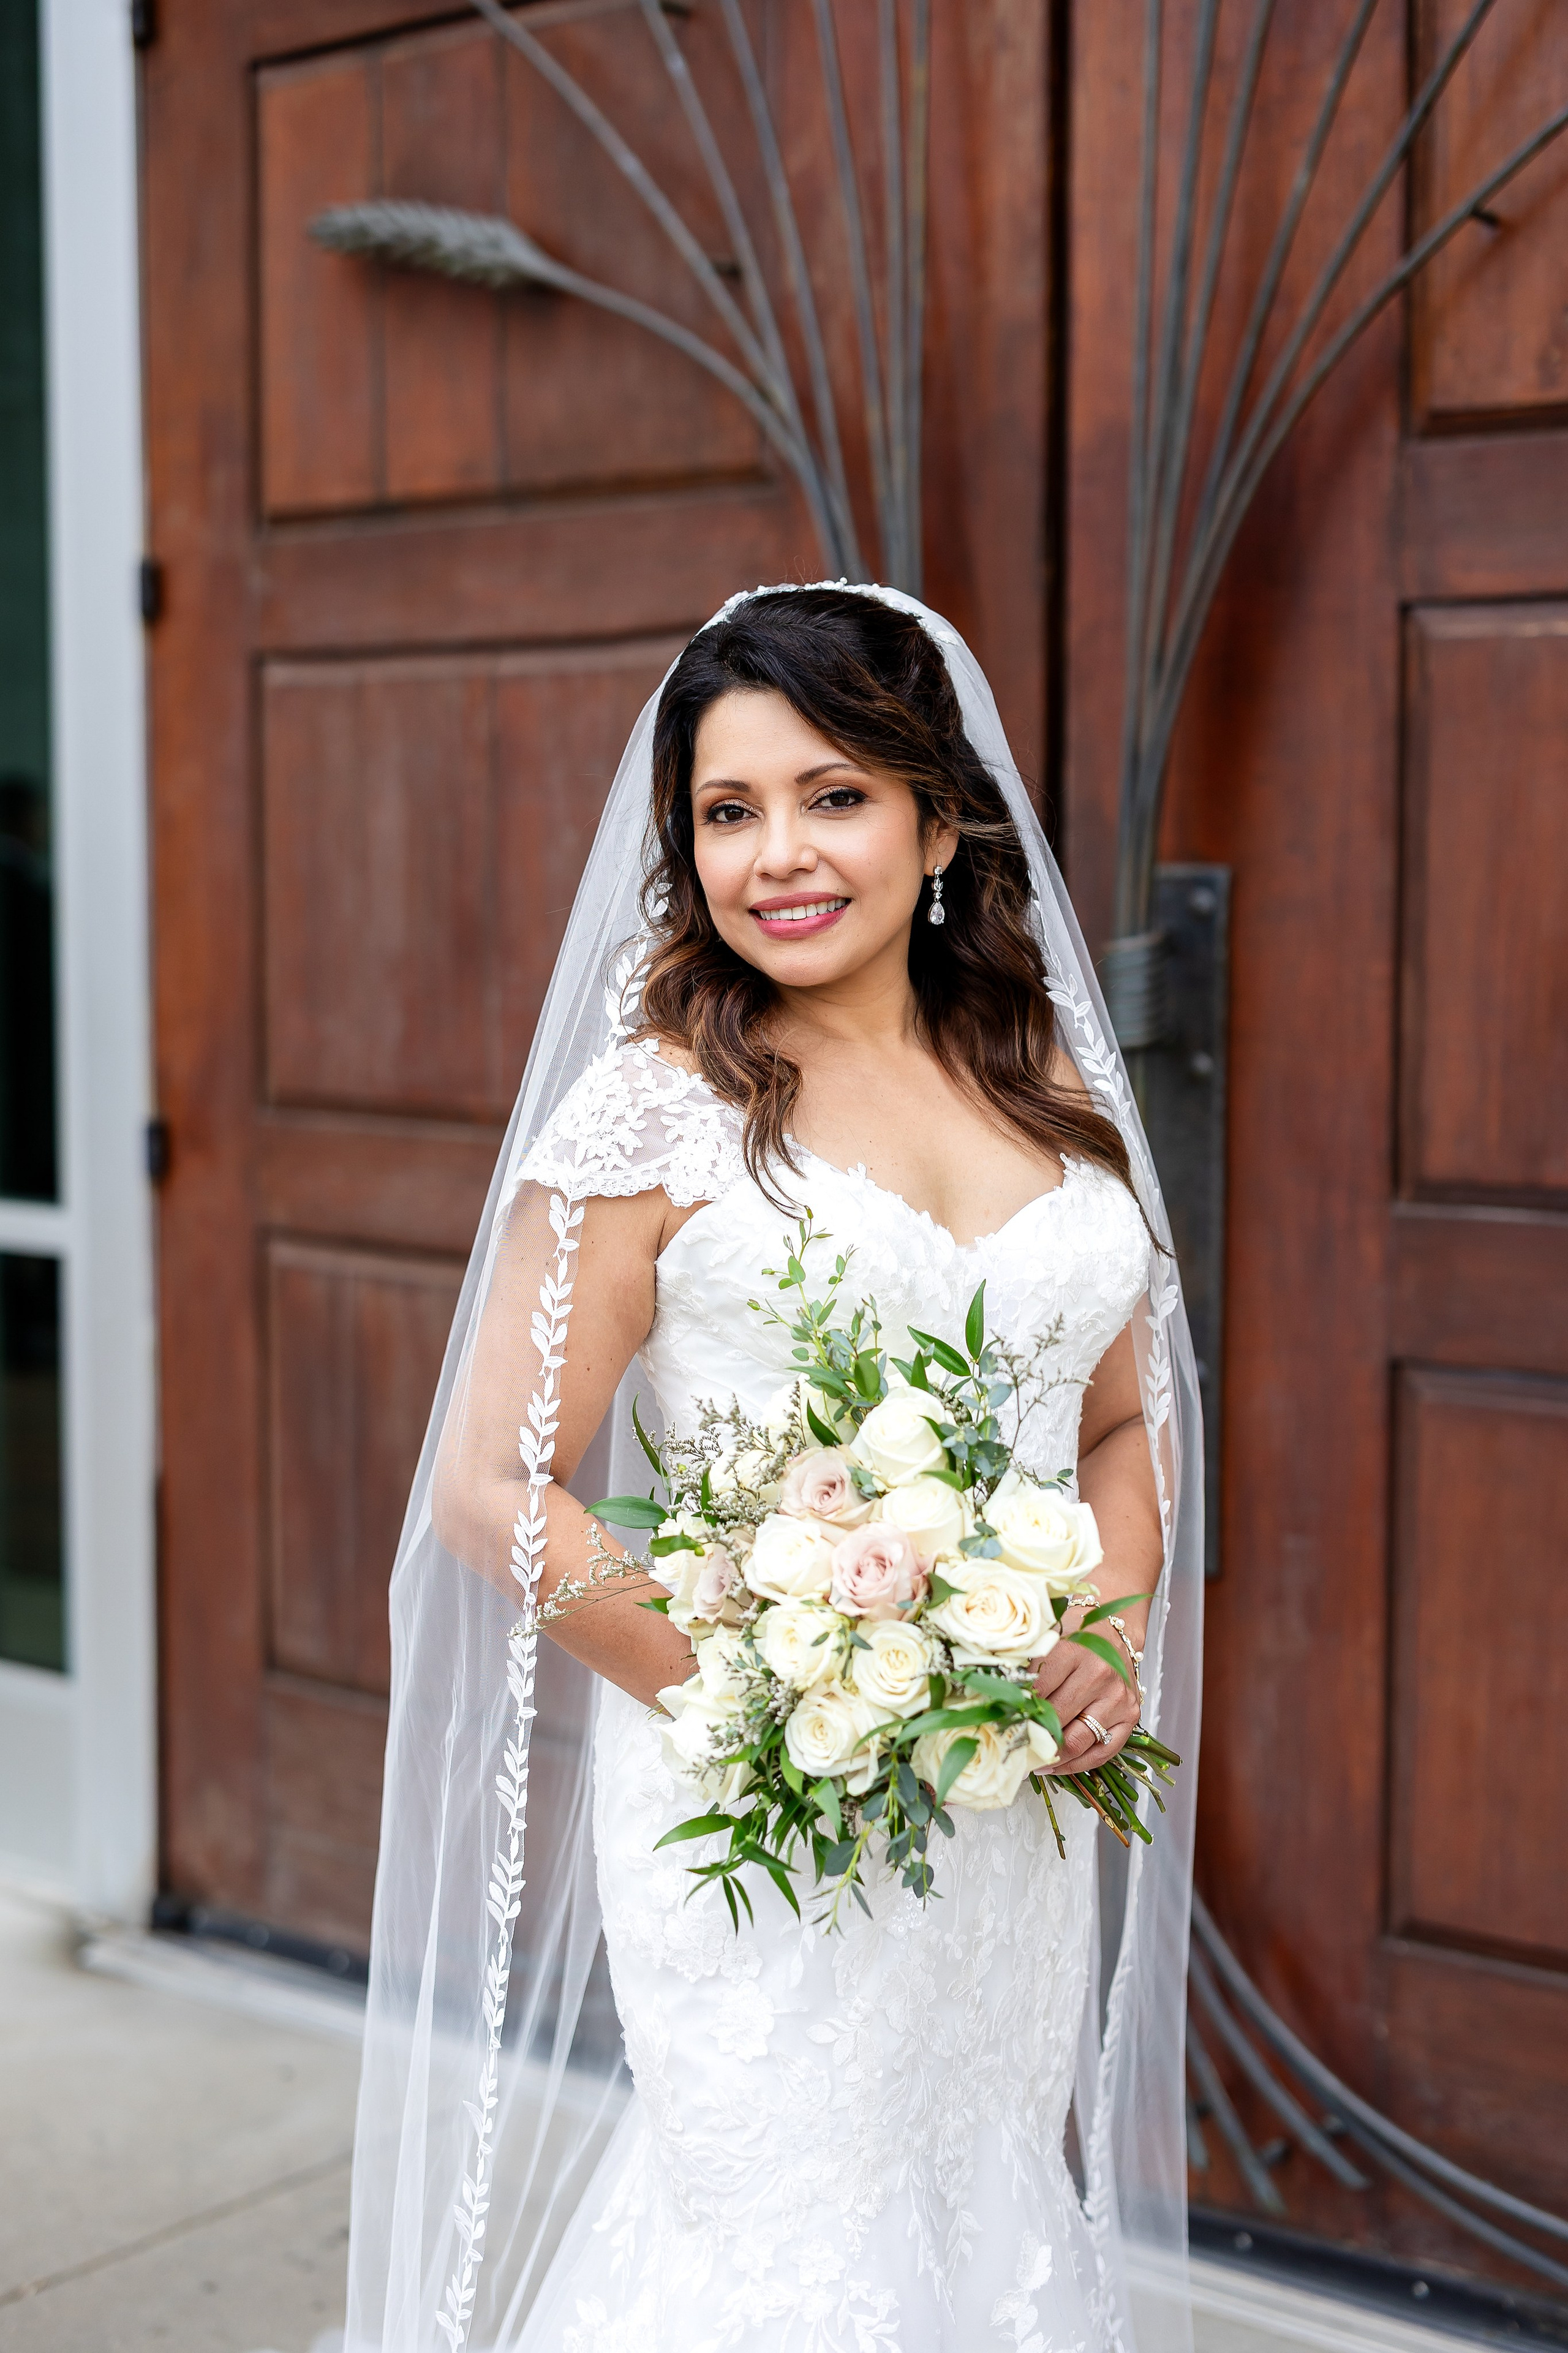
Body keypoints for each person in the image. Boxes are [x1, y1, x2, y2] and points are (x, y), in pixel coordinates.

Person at [344, 585, 1202, 2353]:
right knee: (787, 2259)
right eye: (726, 813)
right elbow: (494, 1485)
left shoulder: (1043, 1081)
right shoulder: (658, 1115)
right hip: (767, 1808)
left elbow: (1115, 1424)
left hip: (1003, 1800)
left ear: (938, 821)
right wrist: (754, 1693)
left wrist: (1106, 1628)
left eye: (832, 795)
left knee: (974, 2208)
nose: (776, 854)